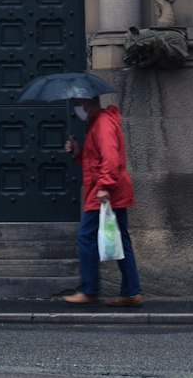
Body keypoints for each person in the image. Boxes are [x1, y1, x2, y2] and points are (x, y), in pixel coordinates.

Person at [60, 95, 143, 307]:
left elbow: (111, 159)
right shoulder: (97, 123)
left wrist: (104, 186)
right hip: (110, 191)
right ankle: (132, 293)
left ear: (88, 103)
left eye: (78, 104)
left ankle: (90, 290)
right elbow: (95, 160)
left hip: (105, 193)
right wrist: (79, 152)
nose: (77, 108)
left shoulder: (103, 124)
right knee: (121, 240)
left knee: (86, 237)